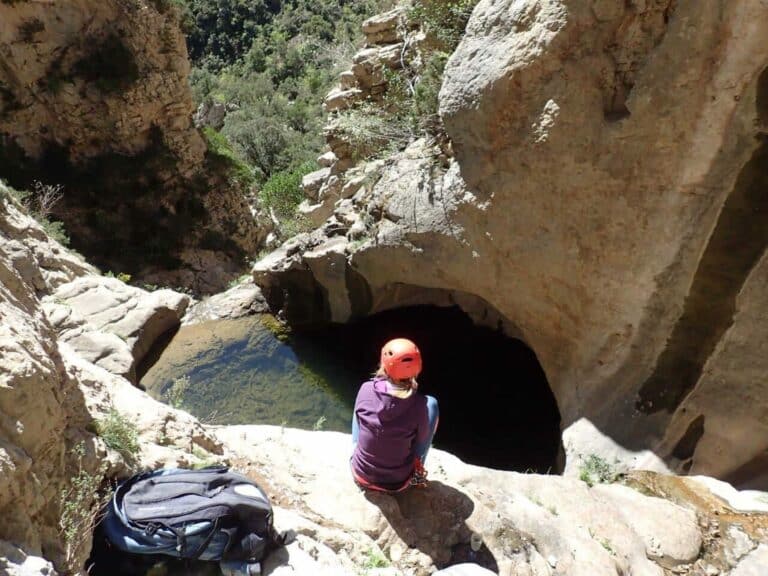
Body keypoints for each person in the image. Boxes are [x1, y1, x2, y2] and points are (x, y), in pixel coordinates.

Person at [350, 338, 439, 492]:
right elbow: (421, 439)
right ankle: (418, 472)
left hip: (360, 473)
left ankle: (356, 447)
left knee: (362, 404)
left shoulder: (366, 388)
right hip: (397, 483)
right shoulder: (420, 405)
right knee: (432, 404)